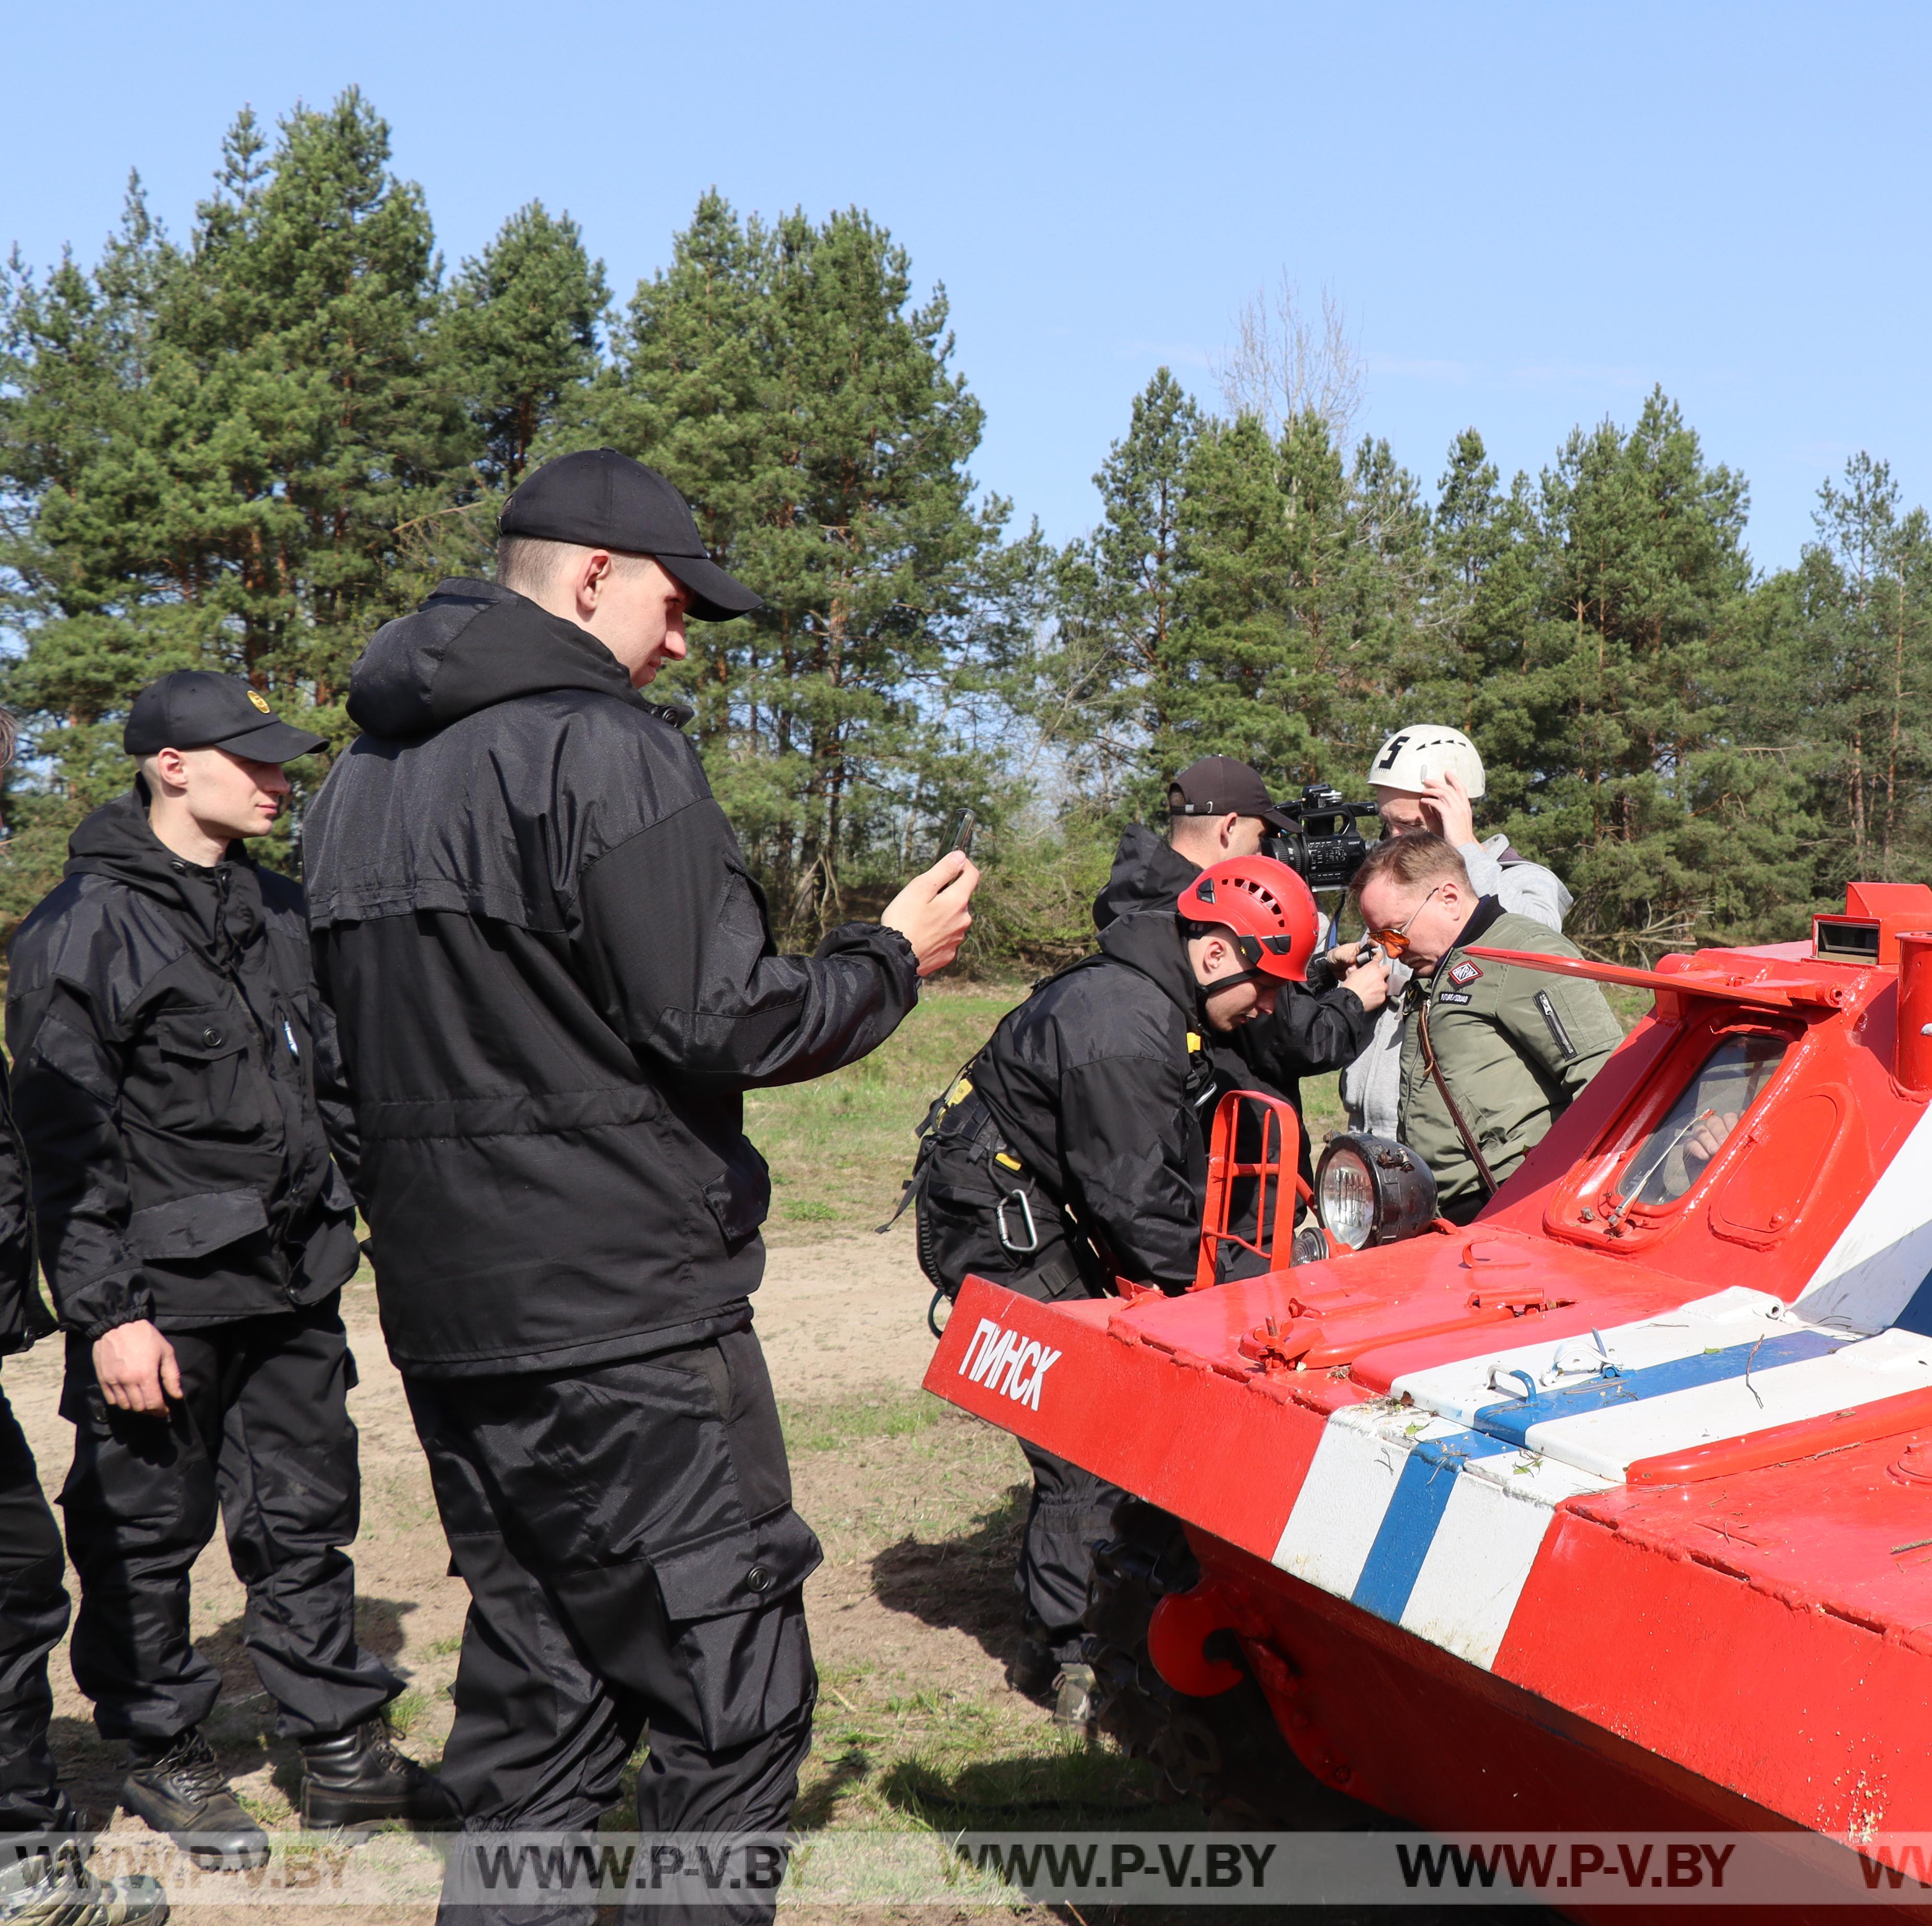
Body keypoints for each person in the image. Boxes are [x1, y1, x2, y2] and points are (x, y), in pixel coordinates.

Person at [299, 449, 978, 1923]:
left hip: (454, 1324)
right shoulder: (601, 751)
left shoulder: (356, 782)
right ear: (591, 575)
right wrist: (886, 960)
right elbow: (719, 1015)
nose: (684, 645)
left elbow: (336, 1071)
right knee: (734, 1705)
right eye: (676, 607)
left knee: (541, 1694)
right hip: (628, 1331)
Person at [5, 675, 445, 1869]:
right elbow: (63, 1148)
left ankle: (339, 1741)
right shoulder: (78, 929)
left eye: (281, 758)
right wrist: (109, 1315)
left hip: (295, 1278)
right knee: (144, 1533)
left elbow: (337, 1094)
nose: (277, 776)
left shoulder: (282, 909)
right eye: (247, 757)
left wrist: (397, 1234)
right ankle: (162, 1749)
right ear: (168, 765)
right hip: (161, 1299)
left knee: (306, 1515)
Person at [941, 854, 1315, 1722]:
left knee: (1090, 1427)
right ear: (1218, 955)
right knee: (1086, 1433)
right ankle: (1076, 1657)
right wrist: (1222, 1305)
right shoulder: (1124, 1023)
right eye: (1266, 989)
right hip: (997, 1227)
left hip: (1030, 1206)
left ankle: (1059, 1632)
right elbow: (1135, 1201)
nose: (1267, 1010)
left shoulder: (1152, 1001)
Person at [1347, 833, 1621, 1221]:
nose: (1392, 951)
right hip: (1441, 1215)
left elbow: (1605, 1081)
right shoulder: (1432, 969)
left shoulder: (1525, 953)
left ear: (1449, 899)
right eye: (1380, 938)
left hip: (1515, 1206)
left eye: (1395, 931)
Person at [1090, 757, 1390, 1104]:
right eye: (1262, 836)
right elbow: (1296, 1040)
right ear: (1228, 828)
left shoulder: (1146, 897)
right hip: (1234, 1133)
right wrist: (1353, 999)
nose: (1267, 851)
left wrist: (1319, 970)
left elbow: (1242, 996)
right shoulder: (1213, 918)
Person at [1339, 725, 1568, 1138]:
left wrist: (1463, 845)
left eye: (1407, 826)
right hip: (1370, 1139)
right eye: (1386, 824)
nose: (1391, 841)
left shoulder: (1522, 879)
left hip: (1456, 1152)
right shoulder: (1400, 883)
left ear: (1454, 807)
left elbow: (1539, 941)